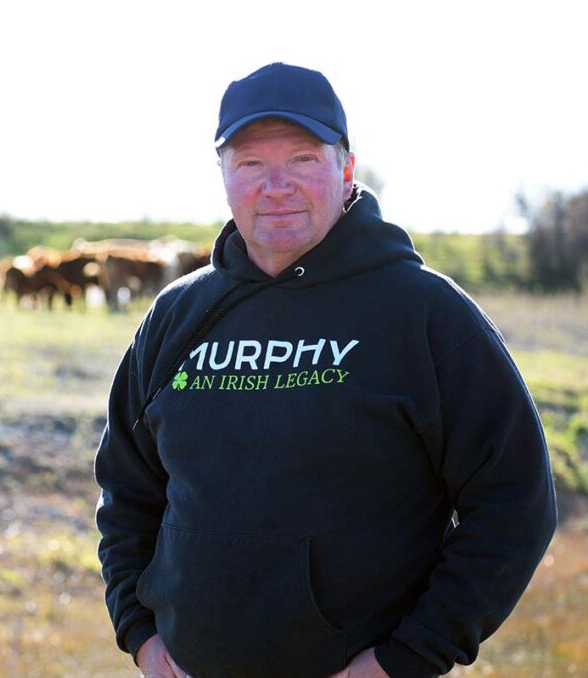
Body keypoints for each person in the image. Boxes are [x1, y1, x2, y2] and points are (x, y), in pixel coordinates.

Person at [94, 62, 557, 678]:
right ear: (225, 177)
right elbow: (126, 492)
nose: (276, 185)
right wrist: (141, 636)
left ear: (346, 169)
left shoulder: (425, 314)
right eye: (251, 163)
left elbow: (514, 503)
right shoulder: (176, 317)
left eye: (304, 159)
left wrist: (406, 658)